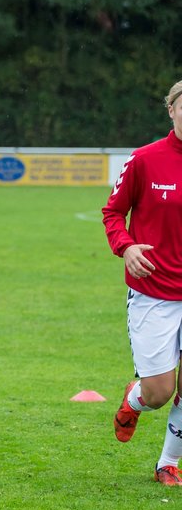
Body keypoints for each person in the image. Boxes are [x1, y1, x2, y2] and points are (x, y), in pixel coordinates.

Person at [103, 79, 182, 486]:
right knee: (159, 391)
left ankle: (167, 463)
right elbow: (113, 213)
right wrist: (126, 247)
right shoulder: (145, 160)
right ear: (171, 110)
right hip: (154, 291)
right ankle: (133, 402)